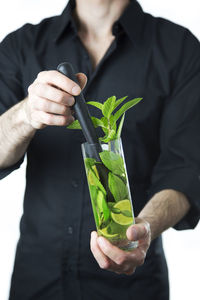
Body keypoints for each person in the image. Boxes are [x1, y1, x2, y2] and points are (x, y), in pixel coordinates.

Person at [0, 0, 200, 299]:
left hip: (134, 287)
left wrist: (143, 229)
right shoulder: (22, 45)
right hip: (36, 280)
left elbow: (186, 169)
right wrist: (25, 114)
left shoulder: (179, 48)